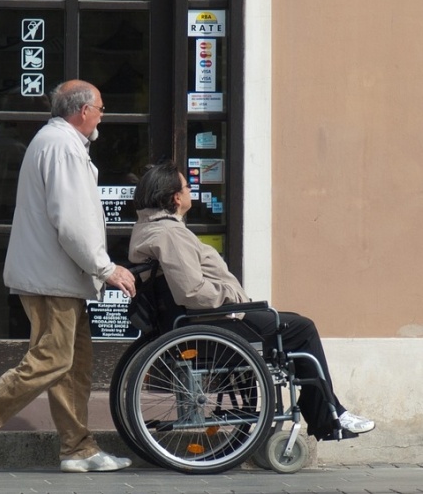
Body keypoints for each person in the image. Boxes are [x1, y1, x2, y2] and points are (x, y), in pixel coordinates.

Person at [0, 80, 137, 472]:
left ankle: (77, 448)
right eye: (101, 108)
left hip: (57, 276)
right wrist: (106, 267)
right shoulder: (62, 146)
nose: (103, 115)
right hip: (52, 277)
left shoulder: (58, 143)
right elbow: (72, 222)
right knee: (53, 359)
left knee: (74, 365)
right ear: (82, 111)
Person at [127, 161, 375, 441]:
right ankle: (328, 413)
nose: (190, 191)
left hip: (203, 321)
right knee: (301, 329)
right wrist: (233, 298)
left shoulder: (150, 229)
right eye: (187, 186)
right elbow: (192, 292)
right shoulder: (170, 234)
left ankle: (326, 409)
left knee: (290, 324)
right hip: (212, 322)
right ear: (175, 198)